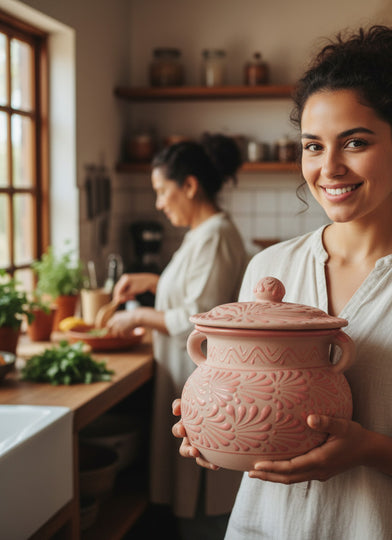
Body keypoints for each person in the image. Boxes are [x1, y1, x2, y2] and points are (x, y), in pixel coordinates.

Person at [171, 25, 392, 540]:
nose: (329, 168)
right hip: (264, 528)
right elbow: (242, 399)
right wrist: (212, 424)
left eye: (355, 142)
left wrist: (367, 449)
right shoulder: (269, 268)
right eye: (313, 146)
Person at [108, 134, 247, 539]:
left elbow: (201, 319)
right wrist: (150, 281)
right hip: (188, 385)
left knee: (204, 506)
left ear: (189, 185)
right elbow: (194, 293)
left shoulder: (215, 235)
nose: (158, 203)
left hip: (204, 389)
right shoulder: (202, 233)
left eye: (161, 191)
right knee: (193, 495)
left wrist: (140, 318)